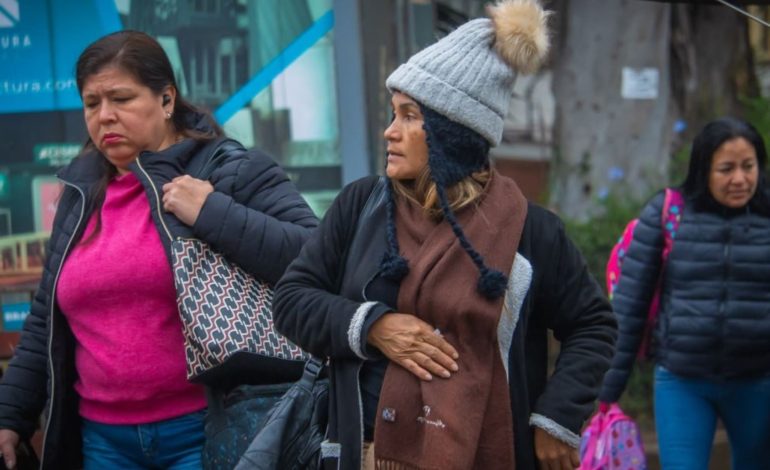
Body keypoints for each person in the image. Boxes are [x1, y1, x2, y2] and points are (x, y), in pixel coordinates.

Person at [273, 1, 617, 469]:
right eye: (393, 113)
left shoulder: (531, 233)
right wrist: (375, 326)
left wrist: (555, 418)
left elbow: (593, 326)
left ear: (451, 133)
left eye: (410, 116)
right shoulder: (362, 207)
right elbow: (292, 300)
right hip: (370, 451)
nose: (390, 132)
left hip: (490, 454)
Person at [0, 30, 318, 470]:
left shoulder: (227, 168)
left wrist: (211, 212)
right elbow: (45, 318)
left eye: (122, 99)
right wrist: (10, 416)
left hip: (209, 428)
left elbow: (313, 255)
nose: (104, 117)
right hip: (102, 442)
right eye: (92, 104)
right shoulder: (80, 194)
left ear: (167, 100)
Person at [599, 117, 770, 470]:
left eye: (748, 167)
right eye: (726, 169)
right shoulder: (668, 213)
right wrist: (604, 395)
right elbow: (628, 310)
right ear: (702, 170)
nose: (740, 179)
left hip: (758, 383)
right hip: (683, 383)